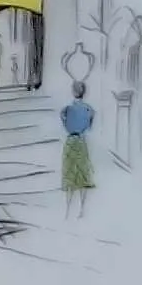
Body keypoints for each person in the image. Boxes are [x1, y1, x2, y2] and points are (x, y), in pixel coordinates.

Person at [59, 64, 97, 222]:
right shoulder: (89, 110)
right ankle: (81, 209)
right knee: (82, 176)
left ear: (73, 92)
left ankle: (68, 208)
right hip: (81, 142)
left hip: (70, 142)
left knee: (70, 176)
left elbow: (64, 123)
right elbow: (89, 126)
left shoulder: (66, 110)